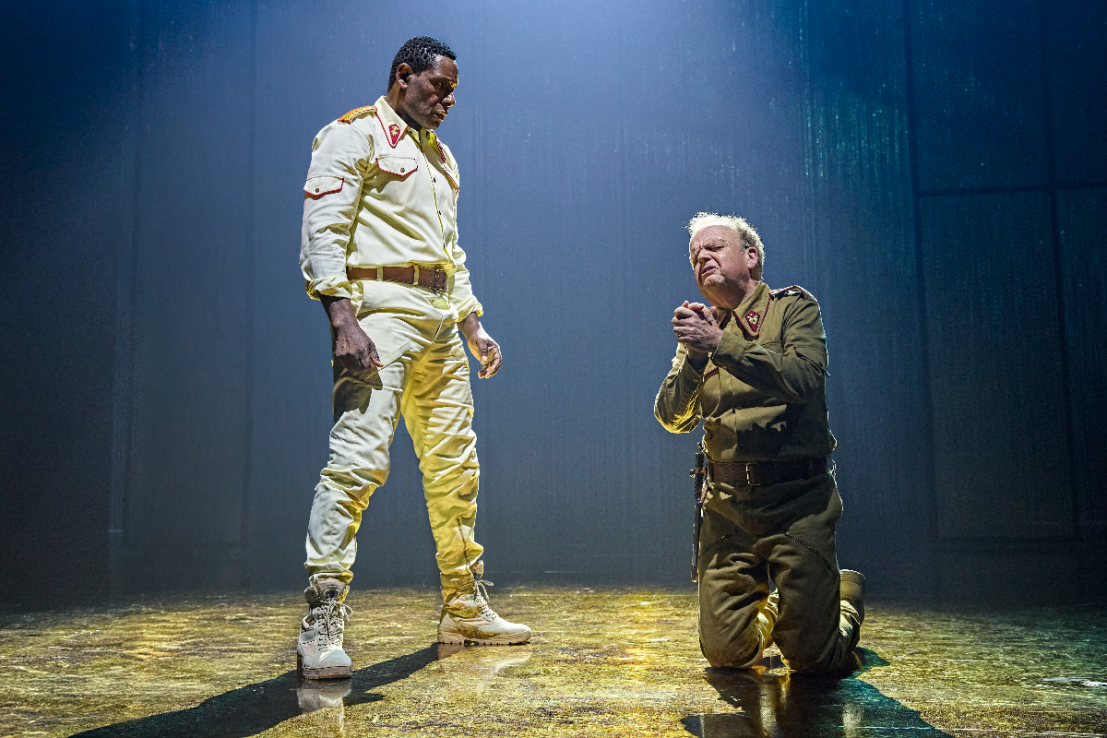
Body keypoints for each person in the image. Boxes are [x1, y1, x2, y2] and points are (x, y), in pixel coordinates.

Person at [296, 36, 531, 679]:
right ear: (405, 75)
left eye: (454, 92)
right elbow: (323, 230)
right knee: (357, 462)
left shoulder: (443, 159)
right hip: (376, 316)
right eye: (439, 88)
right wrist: (341, 319)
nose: (449, 101)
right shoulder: (355, 134)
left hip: (436, 325)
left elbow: (449, 255)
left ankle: (463, 605)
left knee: (456, 467)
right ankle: (322, 619)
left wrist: (473, 327)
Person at [654, 212, 864, 673]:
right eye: (694, 255)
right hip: (727, 508)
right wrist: (694, 356)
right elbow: (672, 418)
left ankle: (843, 605)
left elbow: (804, 378)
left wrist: (720, 345)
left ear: (750, 257)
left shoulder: (793, 309)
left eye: (713, 248)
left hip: (797, 503)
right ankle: (779, 613)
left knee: (814, 660)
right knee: (725, 654)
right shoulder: (700, 330)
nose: (701, 258)